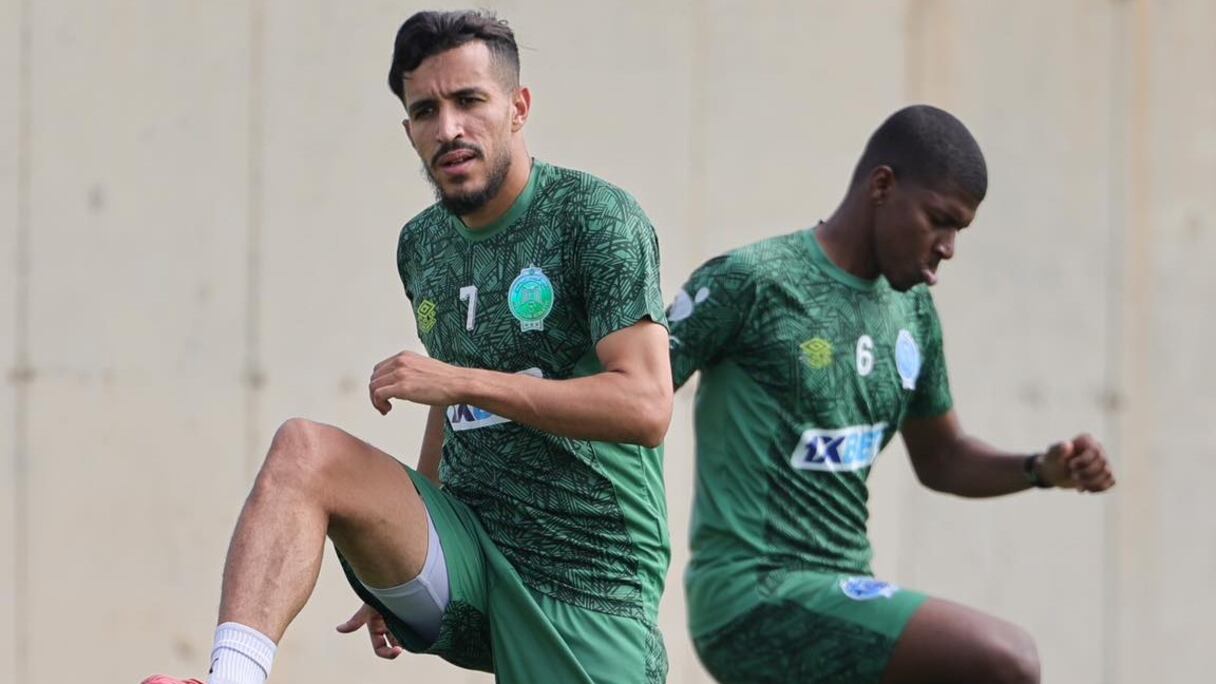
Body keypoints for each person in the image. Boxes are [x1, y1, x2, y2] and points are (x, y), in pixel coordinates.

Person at [144, 10, 673, 684]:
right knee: (304, 451)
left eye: (469, 101)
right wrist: (401, 543)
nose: (448, 128)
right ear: (409, 131)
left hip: (588, 582)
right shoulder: (423, 245)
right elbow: (449, 406)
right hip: (469, 559)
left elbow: (646, 406)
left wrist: (463, 382)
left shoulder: (596, 218)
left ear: (518, 108)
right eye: (426, 110)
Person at [666, 105, 1115, 684]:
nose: (948, 247)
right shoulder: (751, 281)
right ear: (882, 186)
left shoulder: (913, 312)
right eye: (939, 220)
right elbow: (632, 396)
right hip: (753, 595)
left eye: (959, 231)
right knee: (1008, 660)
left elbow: (943, 457)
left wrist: (1040, 469)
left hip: (845, 595)